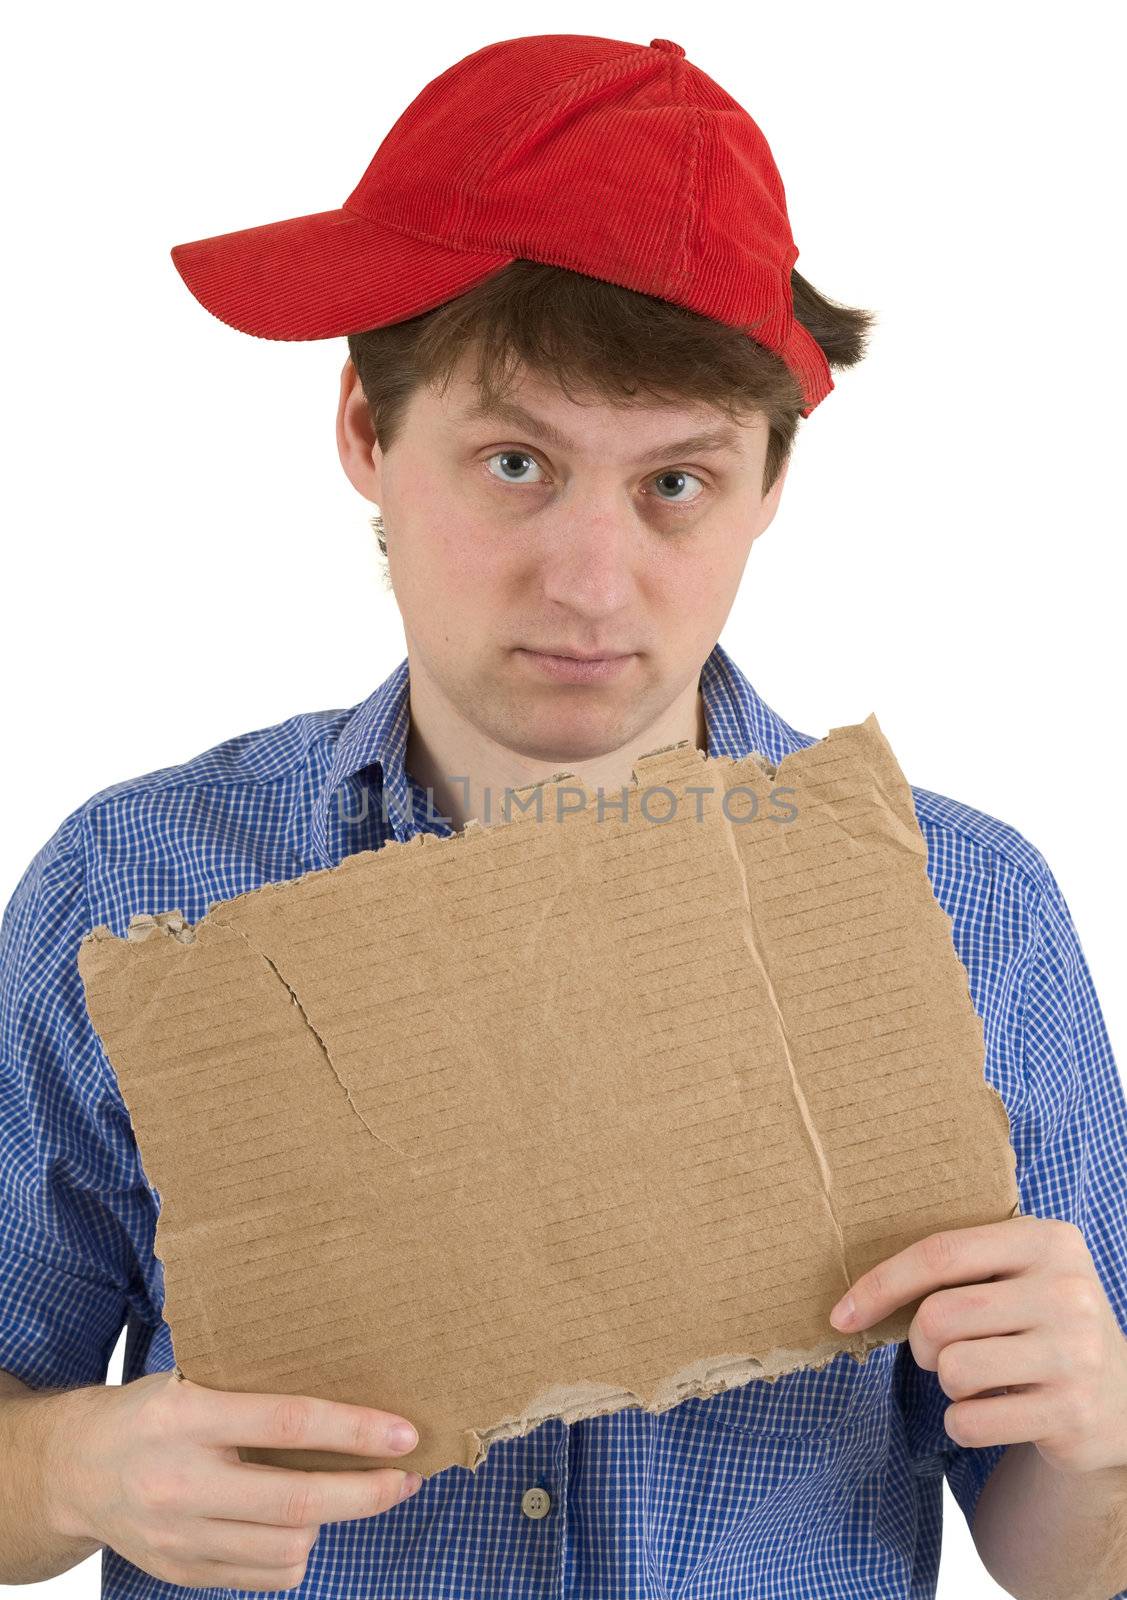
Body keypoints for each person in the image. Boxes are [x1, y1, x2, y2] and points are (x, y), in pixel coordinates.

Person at [1, 29, 1125, 1600]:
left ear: (771, 485)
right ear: (366, 437)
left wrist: (1100, 1439)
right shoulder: (140, 890)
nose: (594, 587)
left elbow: (1068, 1558)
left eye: (676, 483)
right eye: (517, 462)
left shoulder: (970, 911)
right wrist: (71, 1465)